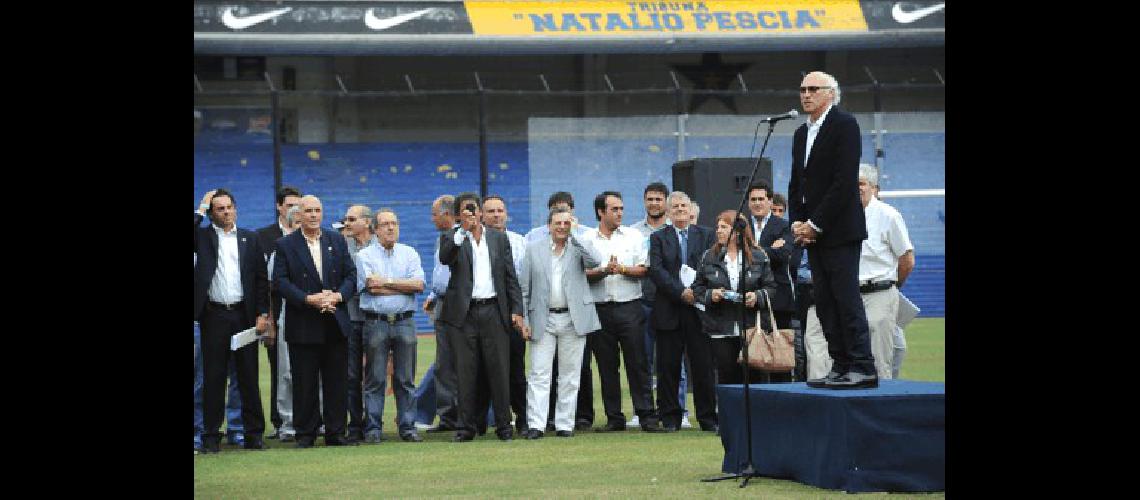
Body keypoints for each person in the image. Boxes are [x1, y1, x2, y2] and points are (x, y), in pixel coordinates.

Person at [788, 70, 877, 390]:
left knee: (845, 298)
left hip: (839, 230)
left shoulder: (845, 125)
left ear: (831, 93)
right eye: (802, 89)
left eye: (813, 89)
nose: (806, 94)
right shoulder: (801, 133)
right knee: (824, 301)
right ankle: (840, 364)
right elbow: (797, 182)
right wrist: (797, 223)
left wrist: (815, 224)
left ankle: (862, 364)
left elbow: (843, 183)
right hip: (812, 234)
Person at [805, 165, 914, 380]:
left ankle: (878, 408)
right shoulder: (833, 215)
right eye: (852, 185)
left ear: (874, 188)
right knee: (826, 356)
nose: (856, 189)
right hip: (839, 294)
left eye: (861, 184)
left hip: (876, 293)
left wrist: (890, 288)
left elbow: (907, 259)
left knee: (876, 359)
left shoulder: (888, 215)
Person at [438, 192, 527, 442]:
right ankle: (466, 427)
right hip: (464, 315)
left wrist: (516, 310)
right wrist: (461, 232)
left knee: (499, 370)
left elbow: (510, 277)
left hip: (494, 311)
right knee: (466, 373)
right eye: (465, 212)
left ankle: (504, 426)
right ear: (458, 216)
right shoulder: (452, 238)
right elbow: (446, 258)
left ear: (480, 213)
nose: (471, 215)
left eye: (474, 210)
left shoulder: (499, 239)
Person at [273, 195, 360, 447]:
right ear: (298, 215)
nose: (313, 215)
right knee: (304, 382)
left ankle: (335, 433)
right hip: (303, 323)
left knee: (336, 381)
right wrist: (308, 299)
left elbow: (351, 275)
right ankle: (305, 434)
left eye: (317, 210)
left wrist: (338, 295)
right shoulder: (285, 245)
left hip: (335, 320)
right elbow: (280, 282)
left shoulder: (337, 240)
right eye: (308, 210)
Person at [193, 188, 271, 453]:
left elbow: (262, 280)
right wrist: (201, 207)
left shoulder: (251, 238)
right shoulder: (202, 237)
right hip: (213, 315)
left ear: (236, 208)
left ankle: (253, 434)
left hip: (244, 315)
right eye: (219, 209)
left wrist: (263, 314)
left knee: (248, 376)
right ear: (212, 213)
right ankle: (211, 436)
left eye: (229, 207)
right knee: (213, 378)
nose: (226, 212)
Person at [583, 192, 663, 433]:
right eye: (614, 209)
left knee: (638, 363)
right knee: (607, 366)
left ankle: (646, 415)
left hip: (630, 306)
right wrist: (604, 271)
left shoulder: (633, 236)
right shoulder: (586, 238)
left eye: (621, 208)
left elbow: (644, 269)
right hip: (599, 309)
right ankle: (614, 417)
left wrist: (622, 269)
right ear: (600, 212)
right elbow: (580, 274)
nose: (620, 213)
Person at [519, 207, 602, 439]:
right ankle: (536, 424)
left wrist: (576, 236)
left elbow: (596, 261)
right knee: (539, 373)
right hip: (542, 318)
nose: (562, 227)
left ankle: (565, 423)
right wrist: (524, 319)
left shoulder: (577, 248)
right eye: (558, 223)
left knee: (570, 373)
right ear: (549, 225)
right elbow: (525, 288)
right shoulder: (533, 249)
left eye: (567, 223)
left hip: (573, 317)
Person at [649, 191, 718, 432]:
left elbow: (711, 267)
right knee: (667, 367)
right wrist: (681, 292)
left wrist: (695, 292)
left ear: (691, 211)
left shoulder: (707, 235)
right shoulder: (658, 238)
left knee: (703, 366)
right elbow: (657, 271)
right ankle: (670, 418)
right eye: (675, 207)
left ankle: (708, 417)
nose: (679, 210)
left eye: (683, 206)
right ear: (668, 213)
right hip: (669, 309)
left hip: (698, 311)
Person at [356, 208, 426, 443]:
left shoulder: (409, 253)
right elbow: (370, 288)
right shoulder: (364, 256)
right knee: (375, 378)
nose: (390, 228)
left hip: (405, 321)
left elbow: (418, 285)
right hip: (376, 322)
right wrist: (402, 285)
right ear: (375, 229)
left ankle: (407, 427)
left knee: (405, 378)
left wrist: (386, 282)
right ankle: (373, 428)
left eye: (394, 223)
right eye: (385, 224)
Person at [691, 210, 776, 385]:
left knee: (754, 379)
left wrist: (757, 296)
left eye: (724, 227)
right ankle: (729, 413)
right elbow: (697, 288)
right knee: (727, 378)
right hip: (720, 328)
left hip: (752, 329)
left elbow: (771, 287)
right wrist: (710, 295)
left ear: (737, 231)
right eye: (718, 227)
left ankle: (754, 413)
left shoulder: (758, 256)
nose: (718, 231)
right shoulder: (709, 256)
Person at [255, 185, 302, 439]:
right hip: (279, 313)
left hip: (307, 314)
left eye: (298, 205)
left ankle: (308, 418)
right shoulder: (263, 237)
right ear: (279, 206)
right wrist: (268, 318)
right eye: (290, 204)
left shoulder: (316, 239)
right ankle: (280, 421)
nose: (294, 208)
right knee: (279, 369)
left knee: (307, 368)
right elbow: (263, 282)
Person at [480, 195, 529, 434]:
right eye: (491, 211)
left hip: (512, 315)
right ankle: (481, 421)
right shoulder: (474, 242)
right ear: (481, 215)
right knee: (482, 370)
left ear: (506, 213)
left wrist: (519, 313)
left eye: (500, 210)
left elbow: (522, 282)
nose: (496, 215)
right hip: (486, 314)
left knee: (516, 370)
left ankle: (522, 417)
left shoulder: (520, 242)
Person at [415, 195, 459, 432]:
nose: (432, 218)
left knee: (461, 363)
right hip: (442, 303)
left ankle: (464, 416)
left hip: (458, 305)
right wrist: (433, 296)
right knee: (444, 365)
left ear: (446, 214)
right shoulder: (440, 239)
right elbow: (441, 273)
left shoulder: (462, 238)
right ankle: (448, 418)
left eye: (434, 214)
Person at [745, 180, 796, 382]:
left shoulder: (784, 226)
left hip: (778, 300)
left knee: (779, 359)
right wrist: (769, 249)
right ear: (748, 202)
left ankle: (782, 407)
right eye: (753, 199)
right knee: (752, 358)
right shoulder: (741, 225)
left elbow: (783, 255)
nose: (757, 203)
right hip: (748, 298)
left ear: (769, 201)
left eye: (761, 199)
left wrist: (752, 249)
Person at [269, 205, 307, 442]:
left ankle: (318, 419)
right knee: (287, 372)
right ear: (290, 226)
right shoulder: (280, 252)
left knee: (318, 371)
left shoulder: (321, 247)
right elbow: (271, 289)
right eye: (297, 225)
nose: (301, 229)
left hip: (319, 315)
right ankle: (289, 422)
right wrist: (270, 321)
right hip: (290, 315)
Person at [342, 204, 378, 442]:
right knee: (351, 375)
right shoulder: (342, 247)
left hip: (376, 318)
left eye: (352, 219)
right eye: (346, 219)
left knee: (376, 375)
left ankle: (374, 424)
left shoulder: (382, 246)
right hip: (351, 318)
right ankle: (355, 424)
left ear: (367, 222)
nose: (346, 223)